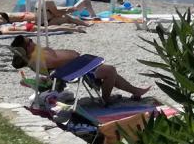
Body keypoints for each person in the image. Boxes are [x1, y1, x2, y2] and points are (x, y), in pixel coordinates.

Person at [9, 35, 149, 104]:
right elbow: (53, 68)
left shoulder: (35, 55)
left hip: (76, 64)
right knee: (110, 70)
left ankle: (135, 91)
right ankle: (106, 99)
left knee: (108, 71)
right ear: (26, 48)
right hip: (75, 69)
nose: (33, 41)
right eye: (30, 41)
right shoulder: (37, 59)